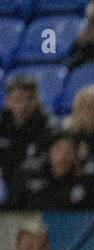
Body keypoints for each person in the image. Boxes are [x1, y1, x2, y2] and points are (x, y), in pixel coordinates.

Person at [0, 76, 54, 208]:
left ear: (37, 100)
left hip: (35, 185)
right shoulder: (2, 125)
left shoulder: (47, 126)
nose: (23, 106)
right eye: (17, 100)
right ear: (8, 101)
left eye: (29, 99)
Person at [19, 135, 94, 210]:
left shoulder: (86, 183)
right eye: (59, 150)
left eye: (69, 151)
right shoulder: (29, 177)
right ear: (50, 152)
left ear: (75, 156)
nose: (63, 155)